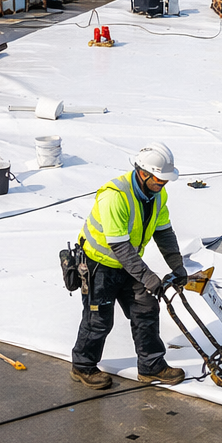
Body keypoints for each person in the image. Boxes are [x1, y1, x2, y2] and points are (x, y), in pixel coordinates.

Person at [70, 143, 189, 390]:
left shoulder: (158, 194)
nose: (164, 184)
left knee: (146, 308)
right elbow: (120, 247)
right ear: (143, 173)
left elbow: (164, 232)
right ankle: (82, 367)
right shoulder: (115, 195)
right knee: (99, 320)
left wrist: (177, 266)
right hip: (99, 266)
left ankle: (151, 366)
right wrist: (148, 276)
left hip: (128, 265)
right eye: (160, 179)